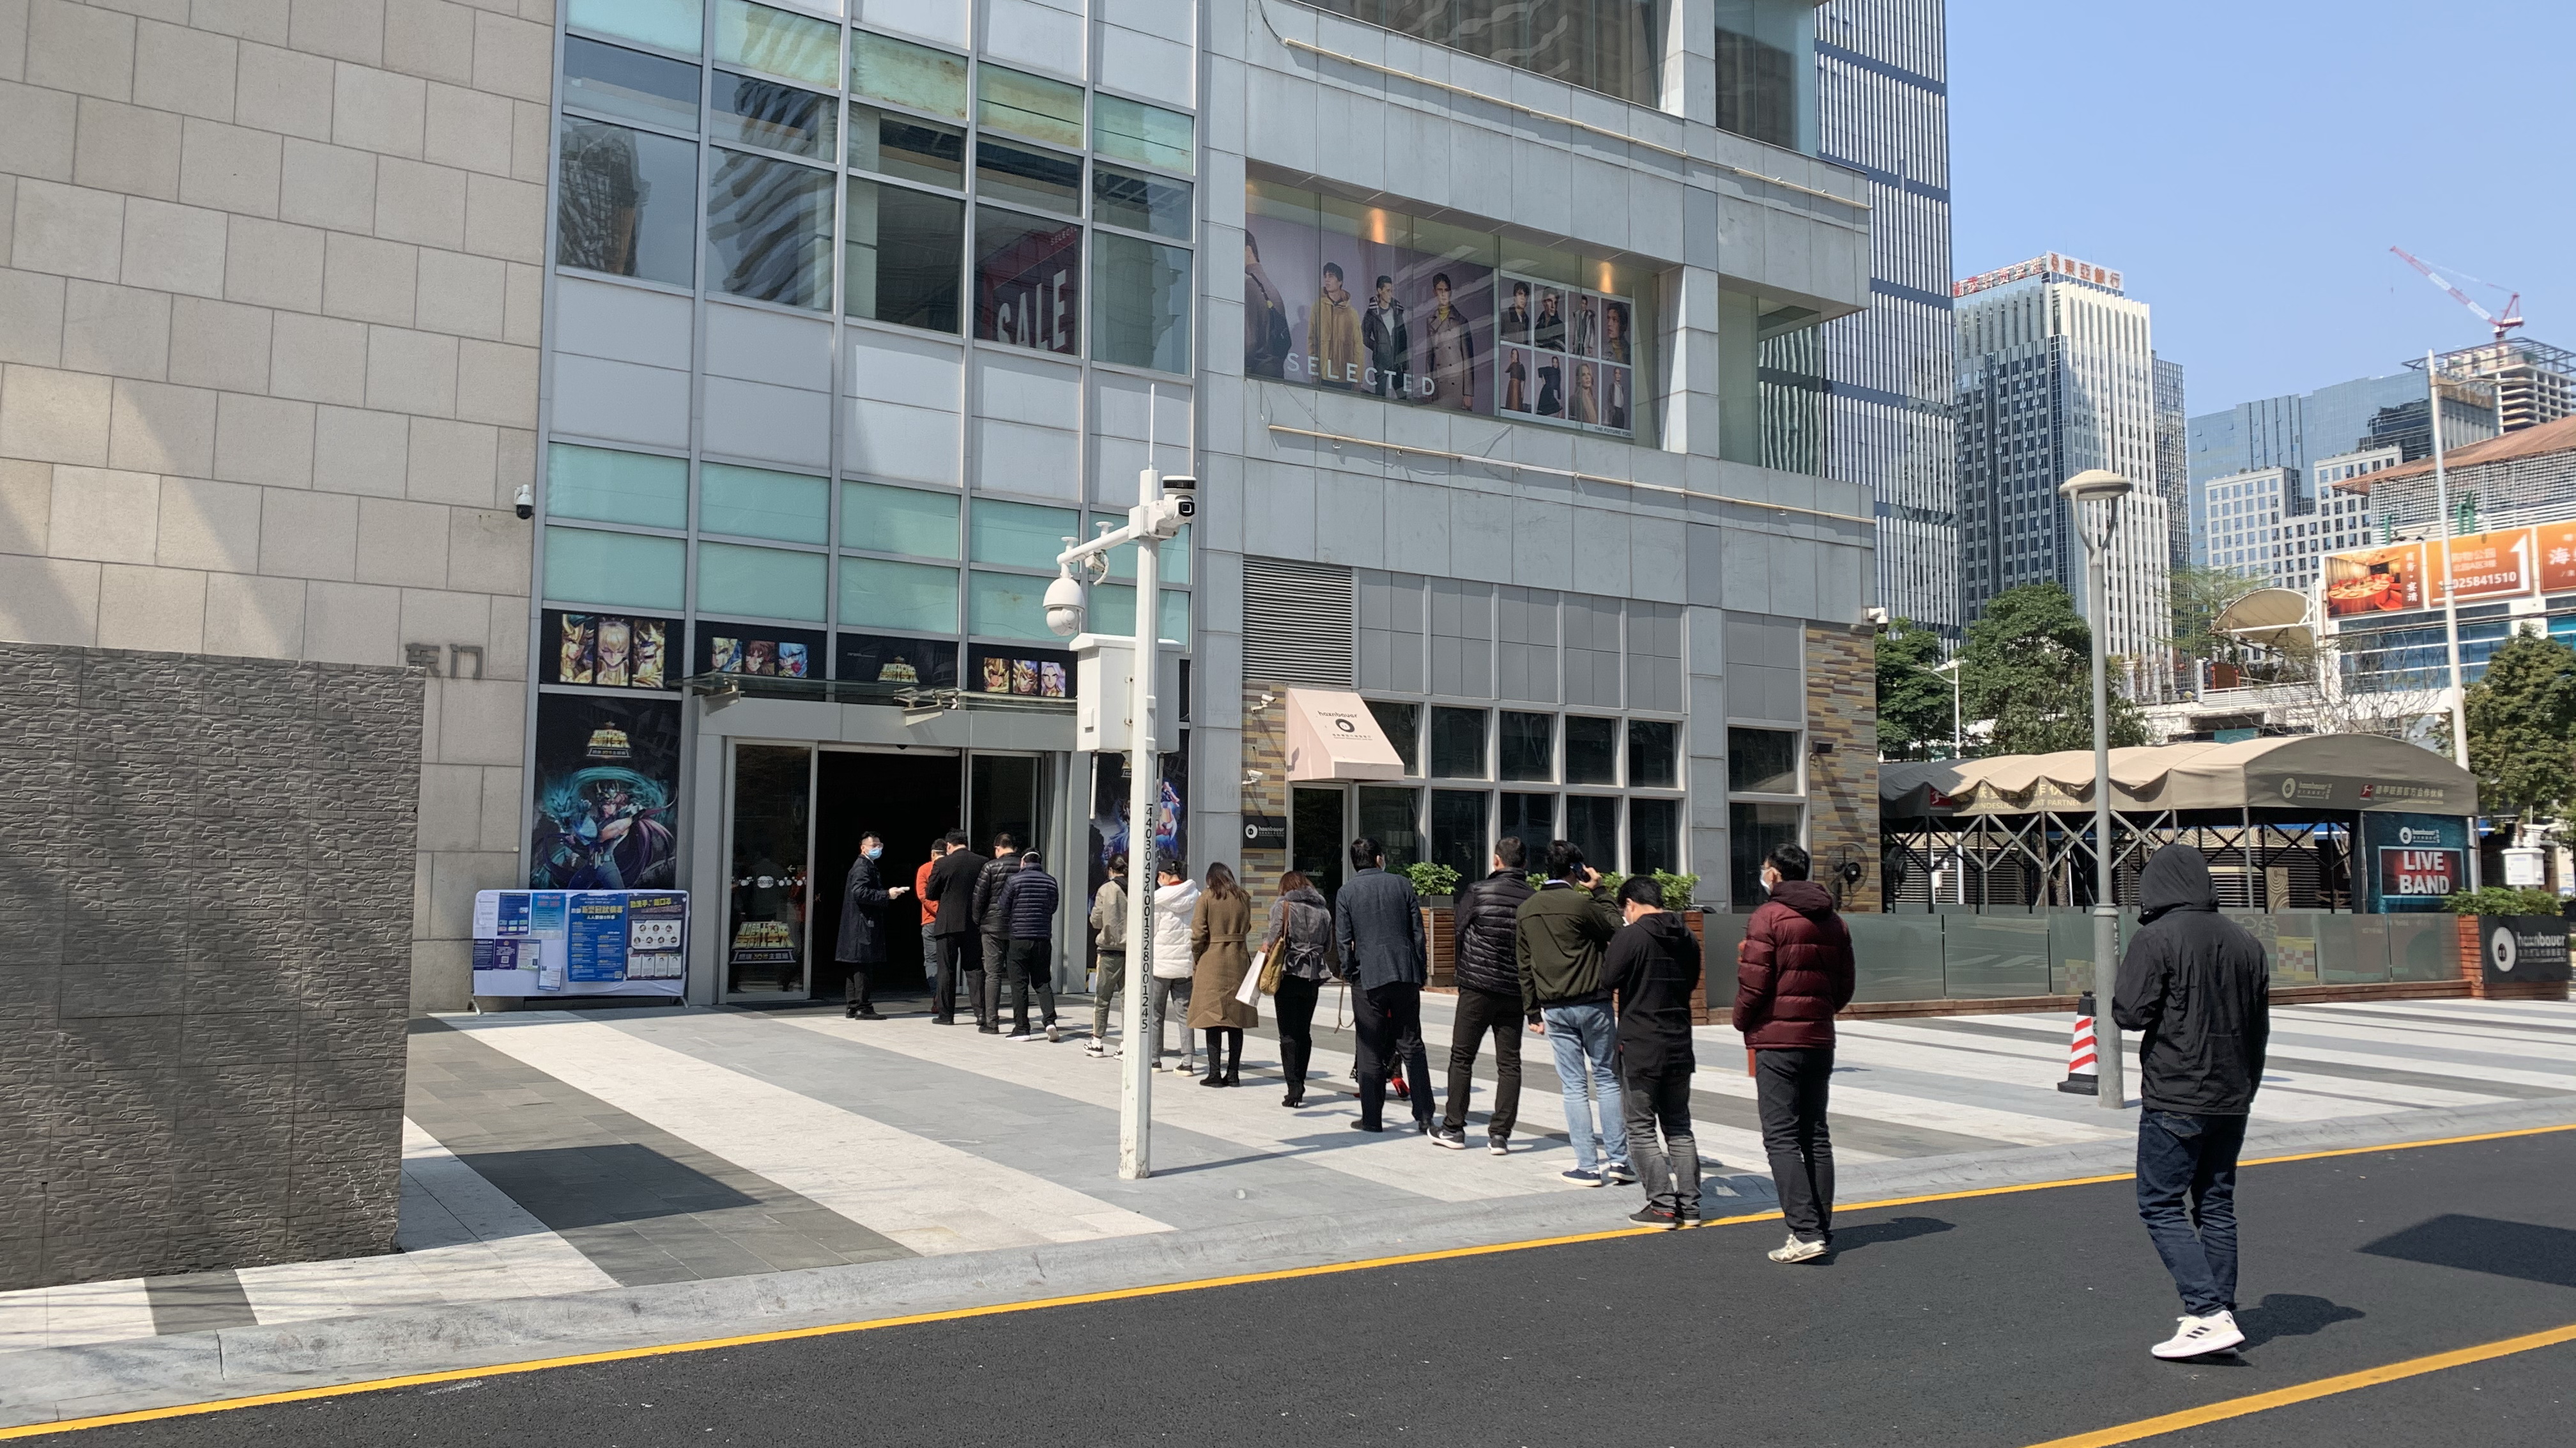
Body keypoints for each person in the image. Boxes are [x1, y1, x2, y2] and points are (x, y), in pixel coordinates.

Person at [2115, 847, 2271, 1360]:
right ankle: (2221, 1312)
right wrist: (2249, 1086)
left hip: (2177, 1090)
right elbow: (2259, 1026)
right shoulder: (2247, 942)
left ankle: (2206, 1312)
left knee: (2160, 1203)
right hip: (2233, 1093)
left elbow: (2130, 1013)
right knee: (2216, 1203)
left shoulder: (2156, 937)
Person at [1736, 842, 1856, 1263]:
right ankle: (1819, 1227)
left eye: (1765, 868)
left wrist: (1742, 1020)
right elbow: (1845, 985)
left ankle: (1804, 1232)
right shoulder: (1834, 921)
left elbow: (1754, 982)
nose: (1763, 874)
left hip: (1777, 1039)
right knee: (1815, 1134)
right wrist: (1820, 1012)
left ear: (1775, 874)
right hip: (1819, 1037)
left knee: (1781, 1136)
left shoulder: (1768, 916)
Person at [1516, 840, 1628, 1185]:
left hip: (1554, 1006)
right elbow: (1618, 929)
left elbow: (1524, 965)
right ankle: (1619, 1161)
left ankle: (1587, 1166)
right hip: (1593, 1002)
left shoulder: (1527, 909)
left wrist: (1532, 1012)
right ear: (1577, 870)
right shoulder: (1582, 904)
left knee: (1574, 1087)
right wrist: (1600, 890)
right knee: (1607, 1079)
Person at [1607, 875, 1703, 1228]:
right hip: (1679, 1041)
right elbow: (1691, 982)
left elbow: (1608, 978)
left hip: (1641, 1043)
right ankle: (1690, 1205)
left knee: (1641, 1127)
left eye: (1624, 911)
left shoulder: (1631, 936)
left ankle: (1662, 1205)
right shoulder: (1687, 936)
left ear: (1631, 904)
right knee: (1679, 1125)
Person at [1434, 838, 1532, 1153]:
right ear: (1524, 864)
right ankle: (1500, 1134)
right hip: (1514, 989)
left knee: (1462, 1057)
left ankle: (1454, 1128)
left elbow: (1459, 929)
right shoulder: (1532, 898)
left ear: (1496, 861)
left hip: (1477, 985)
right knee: (1510, 1063)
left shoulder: (1478, 891)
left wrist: (1461, 971)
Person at [1333, 837, 1434, 1134]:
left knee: (1369, 1047)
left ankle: (1372, 1118)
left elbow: (1343, 939)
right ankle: (1425, 1115)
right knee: (1411, 1043)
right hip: (1404, 973)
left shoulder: (1346, 892)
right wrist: (1420, 970)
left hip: (1367, 977)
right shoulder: (1401, 884)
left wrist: (1349, 971)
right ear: (1379, 858)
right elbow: (1417, 932)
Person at [1261, 870, 1336, 1107]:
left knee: (1287, 1033)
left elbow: (1273, 939)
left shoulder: (1283, 906)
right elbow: (1328, 945)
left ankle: (1294, 1087)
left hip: (1289, 972)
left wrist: (1266, 947)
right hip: (1313, 975)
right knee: (1304, 1031)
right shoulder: (1323, 910)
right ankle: (1301, 1080)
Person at [1188, 863, 1257, 1086]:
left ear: (1211, 878)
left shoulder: (1207, 897)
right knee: (1237, 1019)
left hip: (1212, 959)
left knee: (1212, 1019)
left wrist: (1196, 955)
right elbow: (1248, 927)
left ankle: (1214, 1073)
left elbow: (1198, 932)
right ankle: (1234, 1074)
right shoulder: (1243, 897)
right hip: (1238, 959)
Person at [834, 833, 906, 1021]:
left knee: (854, 965)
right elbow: (860, 892)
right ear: (863, 848)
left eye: (880, 845)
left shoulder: (865, 866)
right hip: (862, 924)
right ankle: (863, 1007)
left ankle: (853, 1006)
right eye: (874, 845)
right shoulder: (862, 867)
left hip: (857, 924)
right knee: (863, 965)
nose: (878, 848)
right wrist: (887, 894)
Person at [924, 831, 988, 1026]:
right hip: (973, 923)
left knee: (946, 969)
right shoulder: (982, 862)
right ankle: (981, 1013)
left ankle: (946, 1015)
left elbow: (931, 893)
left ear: (949, 846)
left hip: (947, 923)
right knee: (975, 968)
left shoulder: (942, 864)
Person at [998, 849, 1062, 1042]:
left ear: (1023, 862)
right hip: (1042, 938)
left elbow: (1003, 907)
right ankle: (1050, 1021)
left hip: (1019, 938)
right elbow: (1053, 907)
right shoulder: (1051, 881)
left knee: (1019, 984)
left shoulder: (1014, 881)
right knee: (1042, 981)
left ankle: (1022, 1028)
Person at [1149, 858, 1200, 1074]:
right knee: (1185, 1014)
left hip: (1160, 964)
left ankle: (1154, 1060)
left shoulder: (1157, 899)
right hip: (1185, 964)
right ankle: (1187, 1062)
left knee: (1155, 1013)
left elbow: (1151, 931)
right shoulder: (1196, 896)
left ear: (1162, 875)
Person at [969, 833, 1023, 1035]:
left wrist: (979, 921)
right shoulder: (1024, 867)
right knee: (1018, 976)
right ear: (1014, 848)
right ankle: (1021, 1022)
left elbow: (978, 898)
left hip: (992, 927)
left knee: (993, 975)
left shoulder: (990, 867)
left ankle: (991, 1022)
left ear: (998, 848)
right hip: (1018, 927)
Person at [1085, 852, 1129, 1056]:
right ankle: (1126, 1044)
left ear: (1111, 870)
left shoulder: (1106, 889)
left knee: (1102, 998)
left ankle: (1097, 1042)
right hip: (1131, 952)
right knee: (1128, 1000)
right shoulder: (1137, 888)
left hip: (1109, 951)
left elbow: (1096, 920)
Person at [1424, 273, 1475, 411]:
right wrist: (1428, 386)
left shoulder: (1461, 321)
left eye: (1446, 290)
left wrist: (1468, 393)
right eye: (1440, 290)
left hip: (1456, 385)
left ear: (1450, 292)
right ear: (1434, 292)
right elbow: (1429, 357)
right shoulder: (1430, 321)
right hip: (1438, 385)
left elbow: (1468, 360)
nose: (1443, 294)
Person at [1243, 235, 1291, 378]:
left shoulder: (1249, 284)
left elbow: (1249, 343)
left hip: (1257, 375)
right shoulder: (1269, 287)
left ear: (1248, 250)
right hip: (1274, 373)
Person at [1312, 263, 1361, 389]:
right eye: (1325, 276)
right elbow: (1312, 341)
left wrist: (1358, 379)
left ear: (1340, 282)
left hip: (1345, 376)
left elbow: (1358, 347)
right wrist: (1313, 371)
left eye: (1331, 276)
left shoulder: (1352, 313)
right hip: (1324, 375)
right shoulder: (1318, 308)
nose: (1327, 280)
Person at [1362, 273, 1410, 398]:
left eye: (1391, 291)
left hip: (1397, 361)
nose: (1390, 294)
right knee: (1380, 395)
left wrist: (1405, 364)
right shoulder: (1372, 313)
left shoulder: (1397, 312)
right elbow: (1364, 336)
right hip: (1381, 362)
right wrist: (1377, 347)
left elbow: (1403, 338)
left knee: (1402, 397)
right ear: (1380, 291)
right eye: (1388, 291)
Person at [915, 836, 945, 997]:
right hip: (949, 921)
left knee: (932, 960)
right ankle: (946, 997)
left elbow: (922, 895)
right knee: (946, 961)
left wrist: (937, 910)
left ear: (933, 853)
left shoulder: (925, 869)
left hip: (930, 920)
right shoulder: (950, 867)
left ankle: (937, 997)